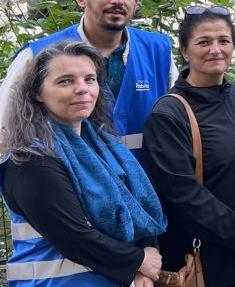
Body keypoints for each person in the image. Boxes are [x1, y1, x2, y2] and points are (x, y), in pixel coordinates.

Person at [1, 41, 167, 286]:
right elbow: (75, 237)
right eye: (65, 81)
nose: (82, 89)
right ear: (37, 93)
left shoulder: (104, 146)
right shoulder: (32, 160)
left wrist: (143, 259)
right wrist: (138, 261)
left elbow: (136, 206)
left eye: (90, 79)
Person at [140, 5, 235, 287]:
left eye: (224, 41)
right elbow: (181, 194)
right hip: (203, 261)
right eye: (203, 42)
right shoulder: (169, 114)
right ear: (185, 52)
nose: (216, 49)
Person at [0, 0, 177, 153]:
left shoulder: (158, 51)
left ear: (135, 2)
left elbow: (179, 124)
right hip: (71, 179)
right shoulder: (38, 54)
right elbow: (5, 128)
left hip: (147, 180)